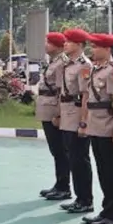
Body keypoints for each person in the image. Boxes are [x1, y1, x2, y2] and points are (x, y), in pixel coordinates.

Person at [82, 33, 113, 224]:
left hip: (107, 127)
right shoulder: (96, 69)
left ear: (107, 49)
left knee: (111, 173)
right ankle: (106, 211)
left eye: (96, 47)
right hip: (95, 126)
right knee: (103, 172)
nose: (93, 50)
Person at [58, 28, 94, 214]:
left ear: (79, 45)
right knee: (73, 158)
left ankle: (86, 200)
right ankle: (79, 197)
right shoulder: (69, 64)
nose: (65, 44)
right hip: (67, 114)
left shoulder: (84, 66)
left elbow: (86, 95)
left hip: (77, 114)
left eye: (69, 41)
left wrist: (83, 122)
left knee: (80, 159)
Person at [36, 32, 70, 201]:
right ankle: (59, 184)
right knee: (55, 150)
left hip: (53, 110)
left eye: (48, 43)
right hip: (46, 108)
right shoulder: (54, 62)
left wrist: (59, 113)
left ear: (57, 46)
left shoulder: (61, 63)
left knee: (60, 150)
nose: (45, 45)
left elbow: (60, 91)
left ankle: (64, 186)